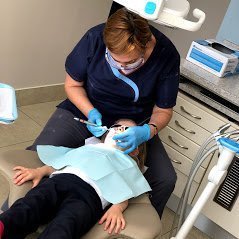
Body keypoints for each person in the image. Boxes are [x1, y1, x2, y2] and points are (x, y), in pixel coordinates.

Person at [26, 7, 180, 218]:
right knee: (40, 156)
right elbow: (73, 85)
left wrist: (147, 131)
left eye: (131, 62)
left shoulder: (166, 55)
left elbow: (163, 110)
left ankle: (117, 220)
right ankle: (17, 214)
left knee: (164, 178)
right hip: (85, 111)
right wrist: (90, 112)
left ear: (145, 47)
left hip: (133, 125)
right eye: (115, 60)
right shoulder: (94, 38)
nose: (122, 67)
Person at [0, 119, 150, 239]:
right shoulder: (91, 147)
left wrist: (117, 208)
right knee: (32, 203)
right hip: (60, 181)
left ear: (136, 149)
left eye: (127, 130)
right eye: (117, 126)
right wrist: (40, 171)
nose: (119, 130)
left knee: (66, 225)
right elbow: (62, 161)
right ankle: (3, 227)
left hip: (88, 197)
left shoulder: (128, 164)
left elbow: (124, 191)